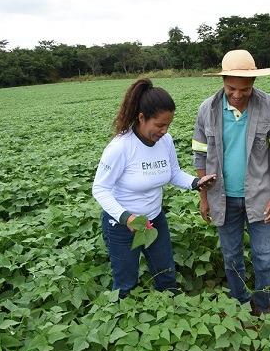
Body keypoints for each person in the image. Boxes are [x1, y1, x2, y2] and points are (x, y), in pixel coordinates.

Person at [93, 78, 216, 298]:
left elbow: (173, 173)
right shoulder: (121, 147)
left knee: (166, 273)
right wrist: (126, 218)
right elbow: (100, 189)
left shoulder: (165, 141)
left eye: (168, 124)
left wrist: (196, 183)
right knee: (126, 281)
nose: (164, 130)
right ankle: (120, 319)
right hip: (122, 226)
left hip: (154, 220)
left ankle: (172, 310)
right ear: (141, 118)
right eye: (159, 125)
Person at [192, 50, 270, 314]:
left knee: (264, 257)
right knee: (231, 257)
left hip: (261, 196)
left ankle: (262, 304)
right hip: (221, 197)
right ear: (223, 80)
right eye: (231, 88)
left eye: (244, 90)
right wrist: (203, 198)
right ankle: (240, 304)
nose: (237, 95)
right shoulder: (207, 109)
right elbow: (199, 155)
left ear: (254, 84)